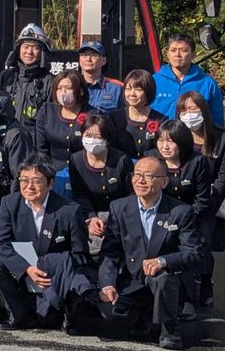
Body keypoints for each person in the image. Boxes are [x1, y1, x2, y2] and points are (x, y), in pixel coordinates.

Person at [98, 158, 203, 350]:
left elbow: (194, 252)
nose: (141, 180)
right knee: (109, 316)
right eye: (137, 175)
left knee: (163, 277)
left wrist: (164, 261)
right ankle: (145, 315)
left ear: (163, 181)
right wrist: (107, 284)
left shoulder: (180, 211)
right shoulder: (120, 207)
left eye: (148, 176)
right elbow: (110, 253)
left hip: (167, 281)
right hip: (133, 278)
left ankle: (170, 329)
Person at [0, 154, 96, 332]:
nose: (29, 186)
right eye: (24, 180)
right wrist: (26, 269)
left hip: (55, 277)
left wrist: (54, 267)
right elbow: (0, 244)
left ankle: (67, 313)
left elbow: (80, 254)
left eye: (36, 181)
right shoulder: (9, 203)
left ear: (50, 183)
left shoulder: (69, 211)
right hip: (24, 273)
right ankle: (17, 316)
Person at [147, 119, 214, 321]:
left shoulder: (198, 162)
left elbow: (202, 199)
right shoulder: (151, 159)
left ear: (182, 142)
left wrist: (185, 220)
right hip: (159, 215)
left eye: (171, 141)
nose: (165, 146)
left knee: (192, 248)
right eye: (161, 140)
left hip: (192, 218)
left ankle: (191, 298)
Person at [176, 90, 225, 309]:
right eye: (184, 110)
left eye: (194, 109)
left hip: (210, 202)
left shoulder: (224, 138)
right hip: (180, 198)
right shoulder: (175, 136)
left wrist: (205, 205)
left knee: (203, 244)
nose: (189, 114)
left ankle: (204, 283)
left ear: (204, 111)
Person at [68, 114, 134, 256]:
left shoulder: (122, 160)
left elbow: (131, 194)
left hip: (120, 214)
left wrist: (114, 219)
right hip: (91, 213)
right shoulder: (76, 160)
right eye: (88, 135)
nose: (92, 140)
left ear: (107, 139)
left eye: (98, 137)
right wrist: (91, 217)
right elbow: (79, 194)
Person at [35, 70, 99, 193]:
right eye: (59, 88)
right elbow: (42, 150)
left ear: (80, 90)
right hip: (55, 173)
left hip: (85, 173)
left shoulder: (93, 115)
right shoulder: (46, 111)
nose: (63, 92)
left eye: (68, 88)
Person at [0, 23, 56, 148]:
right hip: (6, 144)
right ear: (18, 49)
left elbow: (53, 120)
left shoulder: (50, 81)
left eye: (35, 47)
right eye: (26, 46)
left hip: (35, 146)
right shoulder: (6, 77)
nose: (29, 52)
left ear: (42, 52)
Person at [153, 33, 225, 126]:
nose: (177, 55)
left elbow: (217, 119)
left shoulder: (207, 83)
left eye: (183, 50)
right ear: (168, 54)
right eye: (173, 50)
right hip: (163, 139)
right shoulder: (154, 81)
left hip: (197, 139)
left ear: (193, 55)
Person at [107, 70, 163, 158]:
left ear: (149, 91)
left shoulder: (160, 120)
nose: (132, 94)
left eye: (138, 89)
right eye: (128, 89)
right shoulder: (114, 118)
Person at [77, 40, 123, 111]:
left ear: (104, 60)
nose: (88, 59)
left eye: (94, 55)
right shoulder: (74, 86)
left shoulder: (117, 88)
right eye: (84, 55)